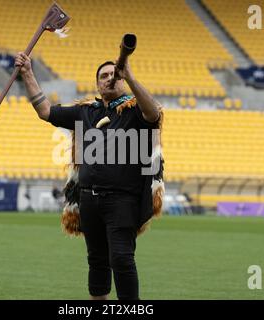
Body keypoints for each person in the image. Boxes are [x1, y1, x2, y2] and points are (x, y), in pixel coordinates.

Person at [14, 50, 164, 300]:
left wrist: (131, 77)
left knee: (122, 258)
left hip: (123, 200)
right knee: (97, 260)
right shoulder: (85, 111)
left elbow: (154, 114)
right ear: (97, 84)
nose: (109, 78)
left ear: (123, 80)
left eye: (114, 75)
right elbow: (46, 112)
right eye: (103, 75)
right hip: (89, 200)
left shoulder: (134, 111)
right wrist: (28, 73)